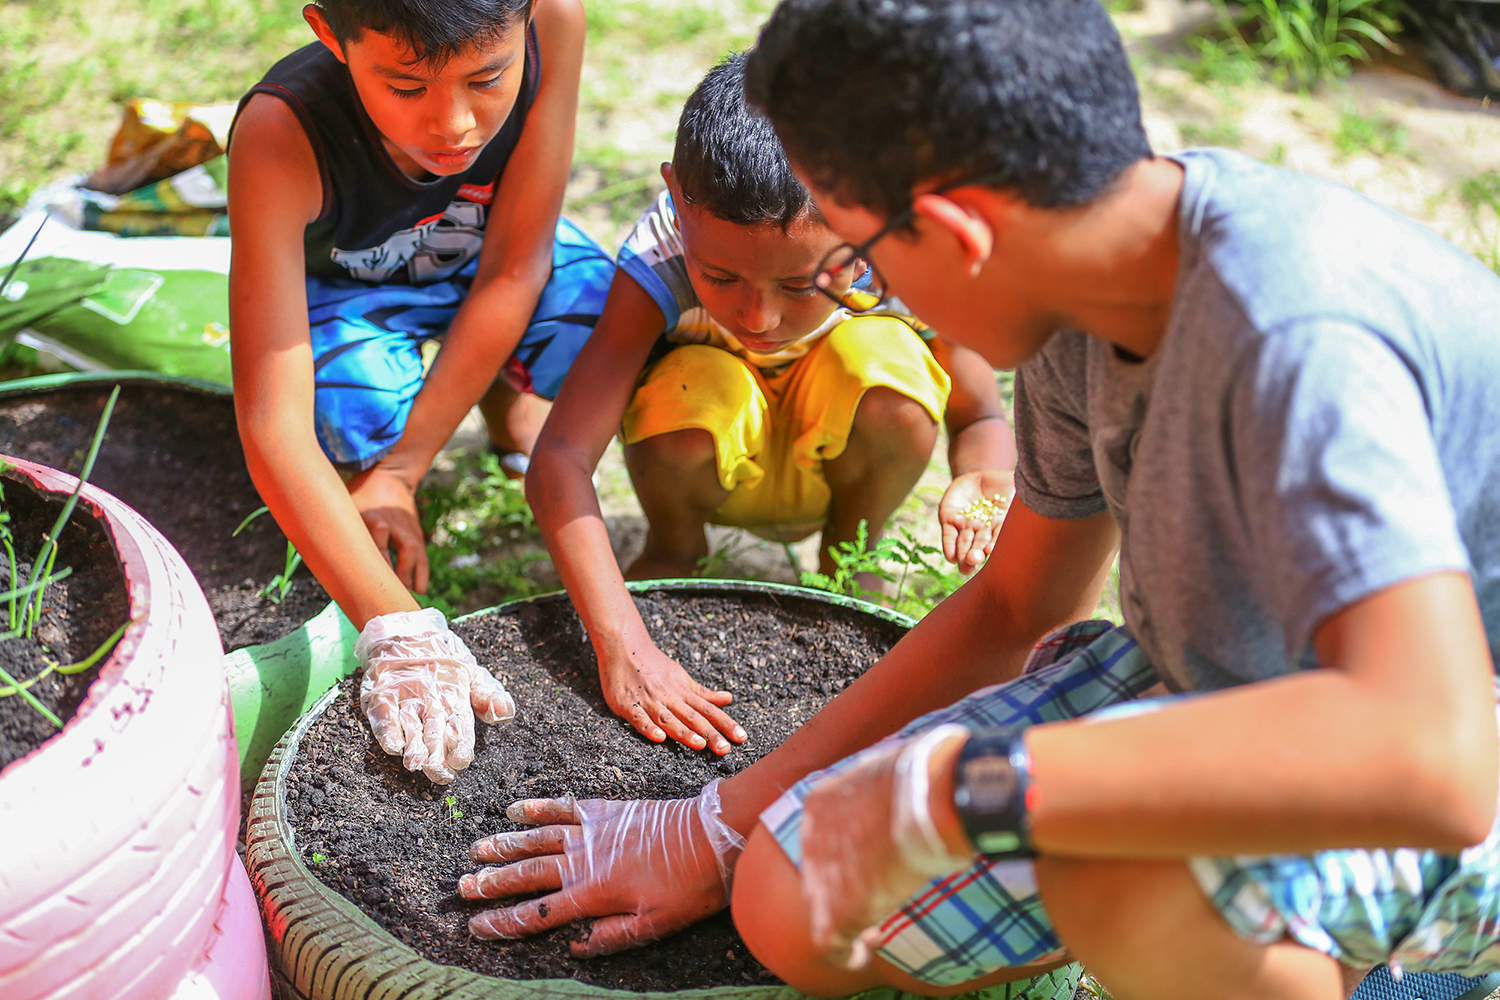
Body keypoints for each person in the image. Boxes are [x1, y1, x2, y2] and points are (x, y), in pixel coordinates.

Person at [450, 1, 1500, 997]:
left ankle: (1414, 967)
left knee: (1126, 880)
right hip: (1228, 679)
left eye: (859, 259)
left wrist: (955, 795)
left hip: (1450, 743)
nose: (864, 295)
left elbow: (1433, 757)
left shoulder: (1294, 338)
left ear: (958, 233)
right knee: (791, 890)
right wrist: (722, 819)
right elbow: (1017, 604)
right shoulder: (1076, 292)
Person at [524, 53, 1015, 755]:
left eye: (800, 283)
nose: (757, 315)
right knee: (693, 379)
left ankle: (851, 562)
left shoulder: (904, 252)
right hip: (714, 461)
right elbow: (561, 460)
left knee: (880, 370)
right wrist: (621, 641)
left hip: (841, 462)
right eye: (719, 276)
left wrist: (989, 475)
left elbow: (984, 415)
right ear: (676, 195)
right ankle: (673, 552)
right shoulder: (659, 254)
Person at [227, 0, 614, 783]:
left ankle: (507, 405)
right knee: (351, 412)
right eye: (406, 87)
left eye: (489, 78)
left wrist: (402, 473)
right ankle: (400, 435)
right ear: (331, 34)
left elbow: (516, 265)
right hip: (352, 296)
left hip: (487, 262)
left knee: (608, 317)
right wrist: (396, 628)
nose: (456, 126)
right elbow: (274, 421)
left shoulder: (555, 22)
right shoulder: (281, 135)